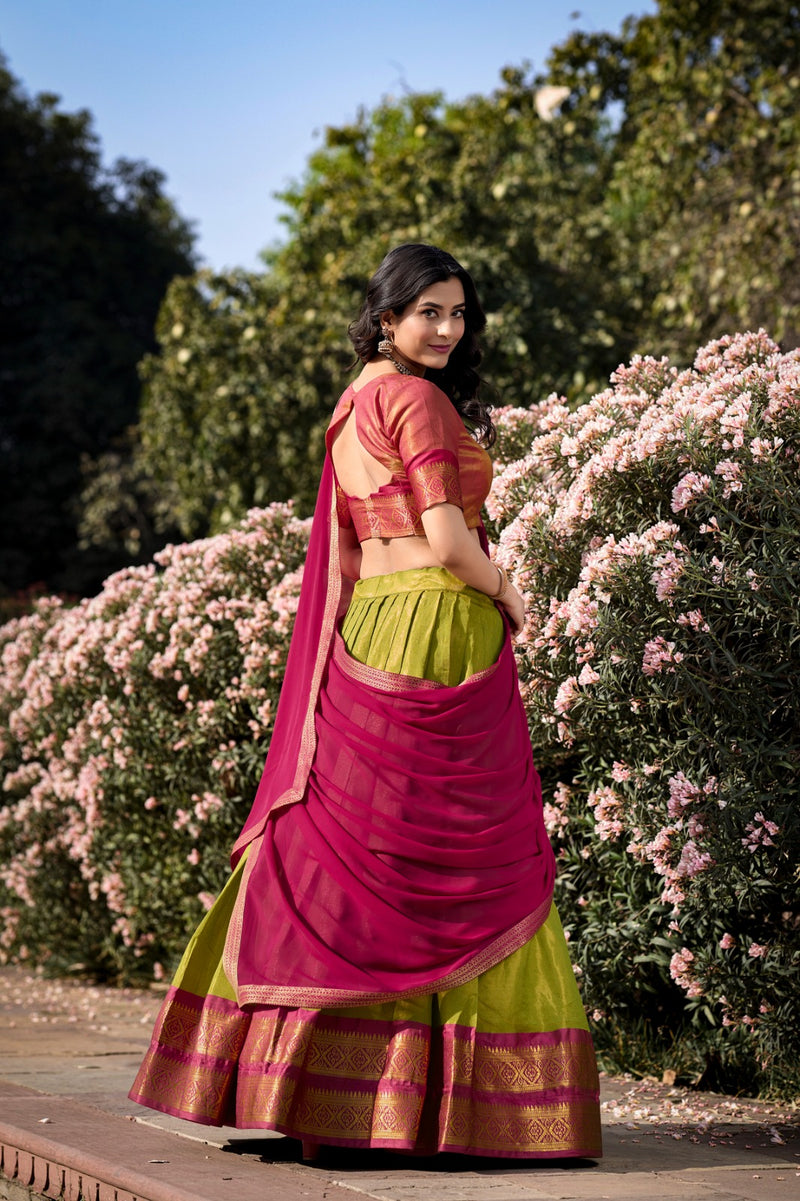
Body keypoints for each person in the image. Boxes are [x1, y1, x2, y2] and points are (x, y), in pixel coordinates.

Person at [129, 244, 602, 1161]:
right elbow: (447, 539)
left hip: (374, 627)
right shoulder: (417, 399)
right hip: (438, 619)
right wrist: (509, 593)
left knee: (352, 850)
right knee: (465, 858)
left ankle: (313, 1095)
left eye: (460, 313)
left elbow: (350, 549)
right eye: (429, 310)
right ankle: (449, 1108)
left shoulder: (353, 403)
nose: (450, 329)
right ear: (386, 316)